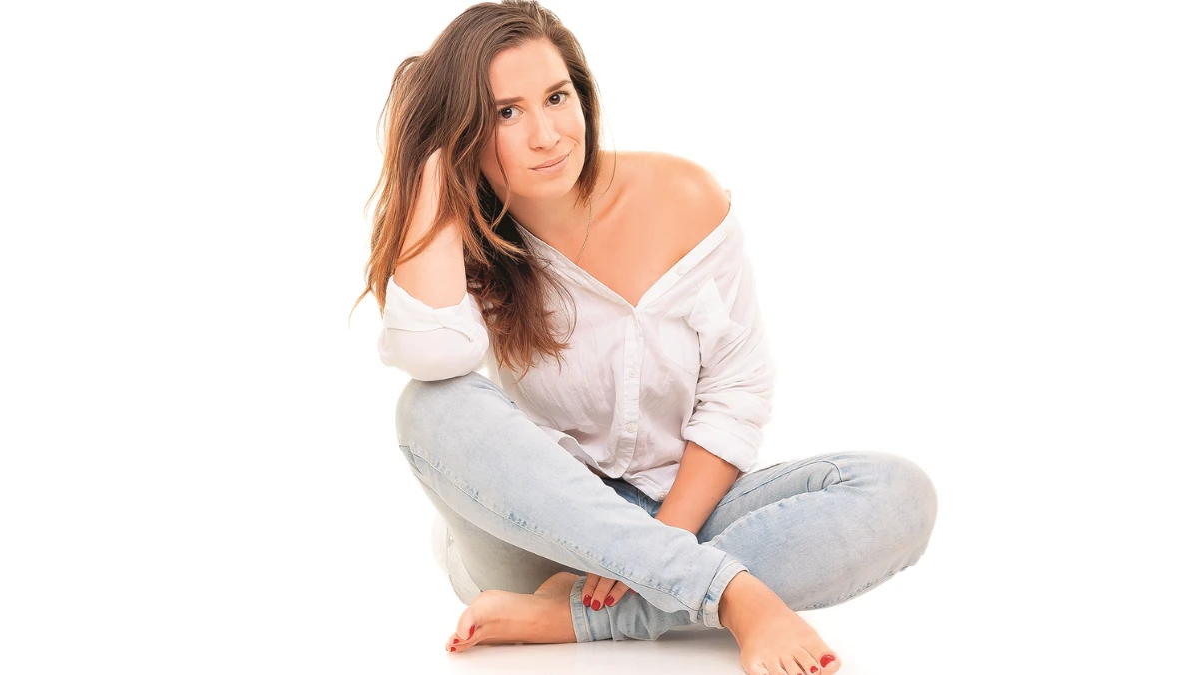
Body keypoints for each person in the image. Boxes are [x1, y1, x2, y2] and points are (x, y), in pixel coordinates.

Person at [353, 2, 938, 673]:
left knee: (898, 493)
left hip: (683, 511)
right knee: (429, 404)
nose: (546, 135)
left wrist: (660, 546)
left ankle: (582, 616)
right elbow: (431, 354)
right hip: (544, 540)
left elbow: (737, 391)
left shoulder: (682, 195)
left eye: (556, 97)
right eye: (506, 113)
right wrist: (426, 159)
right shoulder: (471, 243)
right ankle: (734, 596)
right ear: (463, 132)